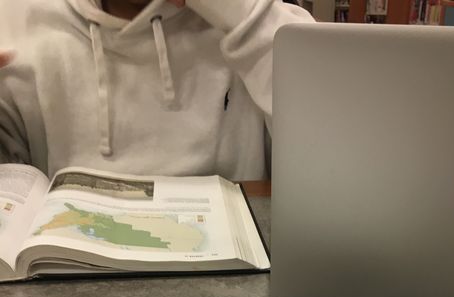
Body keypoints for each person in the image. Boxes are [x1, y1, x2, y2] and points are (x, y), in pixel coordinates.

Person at [0, 0, 313, 181]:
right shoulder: (19, 25)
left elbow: (338, 162)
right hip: (59, 280)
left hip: (237, 278)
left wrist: (242, 15)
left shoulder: (265, 21)